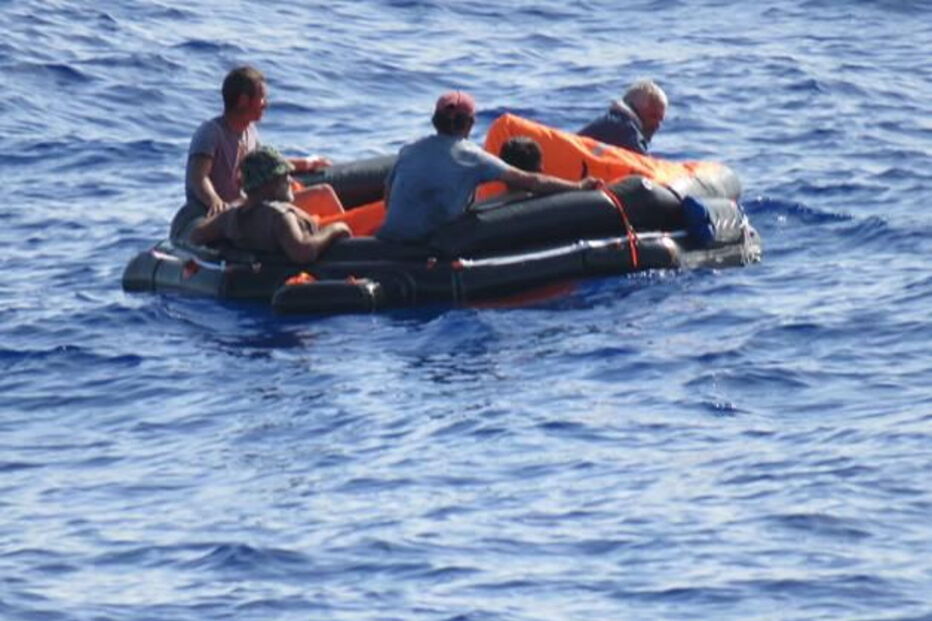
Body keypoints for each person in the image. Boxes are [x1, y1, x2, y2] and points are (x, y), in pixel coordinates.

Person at [377, 91, 600, 244]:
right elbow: (532, 181)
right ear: (470, 124)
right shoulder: (471, 156)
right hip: (430, 244)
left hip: (389, 238)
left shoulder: (408, 150)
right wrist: (579, 187)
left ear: (435, 120)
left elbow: (388, 198)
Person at [170, 66, 334, 241]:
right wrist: (216, 202)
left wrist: (307, 163)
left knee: (322, 193)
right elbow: (199, 177)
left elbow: (267, 166)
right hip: (211, 216)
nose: (266, 104)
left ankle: (344, 240)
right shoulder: (211, 132)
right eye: (262, 98)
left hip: (244, 205)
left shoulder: (250, 132)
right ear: (243, 100)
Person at [189, 147, 351, 264]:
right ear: (269, 184)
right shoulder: (281, 216)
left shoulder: (231, 217)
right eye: (284, 176)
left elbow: (196, 236)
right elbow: (302, 252)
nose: (290, 181)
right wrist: (336, 229)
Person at [577, 79, 667, 154]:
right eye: (653, 116)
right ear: (635, 109)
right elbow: (644, 166)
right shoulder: (625, 129)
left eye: (660, 119)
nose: (657, 125)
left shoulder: (610, 122)